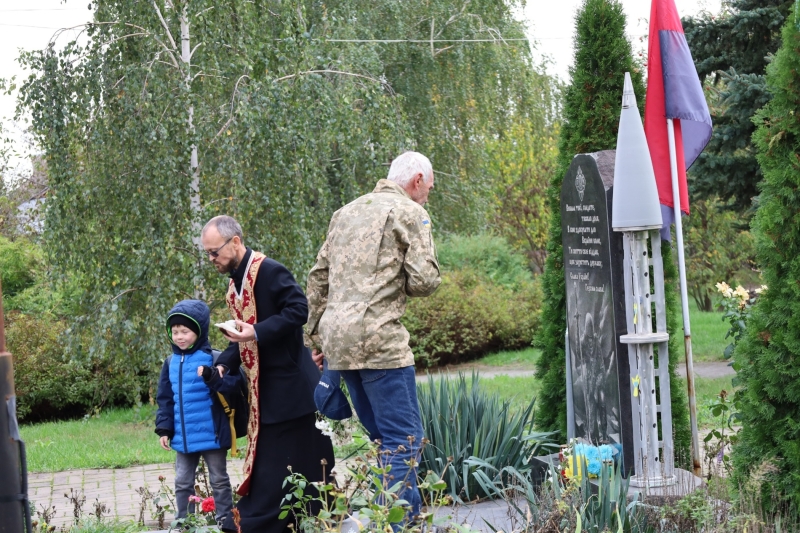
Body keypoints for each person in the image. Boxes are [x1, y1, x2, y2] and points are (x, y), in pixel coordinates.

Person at [305, 151, 442, 521]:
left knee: (383, 441)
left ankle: (394, 521)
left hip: (340, 346)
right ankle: (395, 526)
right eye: (429, 187)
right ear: (416, 181)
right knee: (404, 441)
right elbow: (426, 281)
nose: (428, 194)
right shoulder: (411, 213)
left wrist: (316, 340)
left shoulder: (345, 212)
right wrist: (399, 286)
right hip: (380, 344)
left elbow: (318, 278)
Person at [200, 215, 335, 533]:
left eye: (214, 252)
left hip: (290, 389)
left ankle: (267, 523)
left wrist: (256, 332)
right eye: (207, 253)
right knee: (276, 466)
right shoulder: (236, 280)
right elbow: (242, 333)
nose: (211, 259)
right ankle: (277, 521)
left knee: (294, 465)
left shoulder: (269, 270)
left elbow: (299, 310)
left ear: (235, 242)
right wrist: (225, 364)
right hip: (266, 393)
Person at [154, 299, 235, 531]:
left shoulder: (215, 358)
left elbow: (230, 387)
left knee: (219, 479)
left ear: (198, 332)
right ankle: (185, 523)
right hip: (183, 436)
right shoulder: (170, 363)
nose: (179, 337)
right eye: (175, 332)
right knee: (182, 482)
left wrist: (212, 376)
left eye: (185, 331)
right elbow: (165, 399)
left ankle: (226, 521)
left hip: (212, 434)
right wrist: (164, 429)